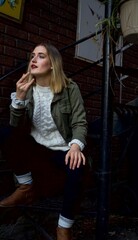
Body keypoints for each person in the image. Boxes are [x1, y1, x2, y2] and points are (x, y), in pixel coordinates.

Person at [0, 42, 88, 240]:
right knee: (5, 132)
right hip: (36, 150)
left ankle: (63, 227)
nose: (33, 59)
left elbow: (80, 122)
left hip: (62, 150)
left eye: (40, 56)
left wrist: (75, 146)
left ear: (52, 64)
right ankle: (25, 187)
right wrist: (19, 100)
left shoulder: (69, 88)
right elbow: (16, 130)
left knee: (77, 168)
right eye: (32, 55)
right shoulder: (26, 89)